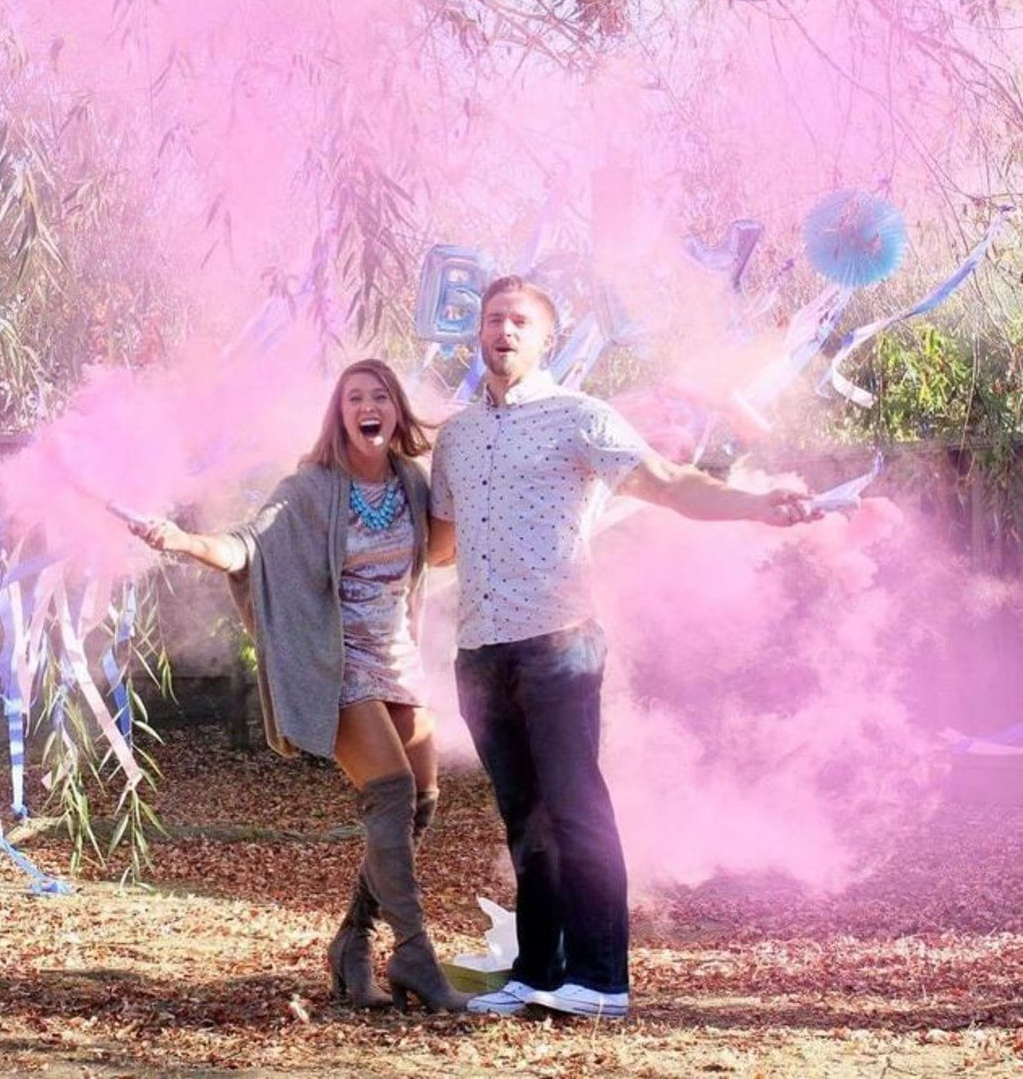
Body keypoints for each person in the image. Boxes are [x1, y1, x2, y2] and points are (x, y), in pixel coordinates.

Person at [429, 276, 817, 1019]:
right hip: (480, 650)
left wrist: (755, 508)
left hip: (559, 642)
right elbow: (441, 546)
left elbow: (670, 485)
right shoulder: (458, 435)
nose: (503, 331)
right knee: (525, 816)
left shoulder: (579, 416)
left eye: (520, 321)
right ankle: (538, 972)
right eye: (492, 320)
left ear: (546, 338)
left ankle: (603, 979)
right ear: (476, 335)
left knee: (576, 809)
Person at [132, 359, 466, 1013]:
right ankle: (415, 954)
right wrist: (180, 540)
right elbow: (245, 547)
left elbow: (440, 552)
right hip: (335, 661)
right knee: (392, 790)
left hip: (396, 654)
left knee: (421, 801)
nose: (367, 406)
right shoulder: (310, 488)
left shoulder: (411, 483)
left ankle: (351, 943)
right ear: (340, 416)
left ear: (394, 411)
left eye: (379, 397)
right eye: (353, 399)